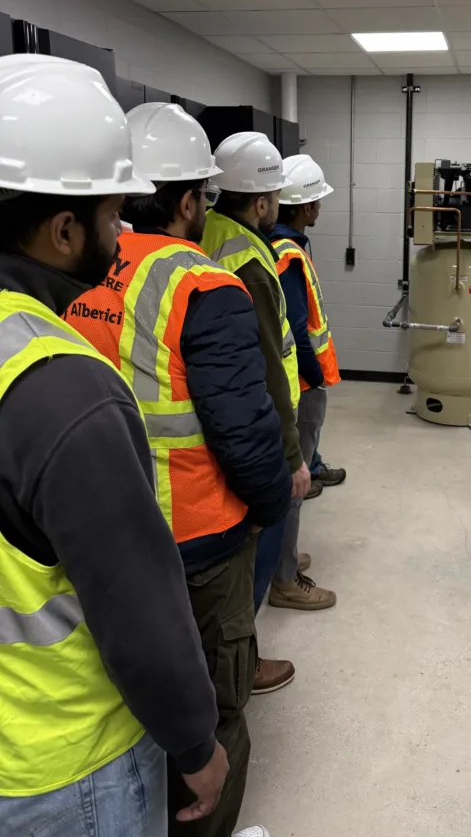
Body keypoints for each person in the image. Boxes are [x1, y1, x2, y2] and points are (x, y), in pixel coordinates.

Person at [0, 55, 226, 836]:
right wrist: (196, 740)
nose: (123, 227)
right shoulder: (61, 386)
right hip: (61, 763)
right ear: (63, 230)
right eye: (110, 211)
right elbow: (137, 609)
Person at [64, 101, 291, 837]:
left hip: (102, 533)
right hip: (199, 536)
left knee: (133, 704)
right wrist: (269, 506)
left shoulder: (78, 272)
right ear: (192, 198)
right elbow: (244, 428)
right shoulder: (202, 284)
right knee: (213, 709)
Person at [201, 132, 329, 646]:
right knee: (272, 508)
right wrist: (293, 451)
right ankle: (245, 655)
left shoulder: (210, 231)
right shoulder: (251, 260)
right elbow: (272, 352)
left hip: (224, 402)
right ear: (262, 200)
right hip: (261, 410)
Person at [270, 154, 344, 611]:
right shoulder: (289, 253)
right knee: (295, 482)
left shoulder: (277, 243)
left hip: (290, 380)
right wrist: (315, 379)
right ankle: (284, 579)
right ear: (305, 207)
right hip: (299, 384)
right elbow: (298, 328)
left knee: (291, 478)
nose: (319, 207)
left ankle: (285, 556)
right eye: (315, 200)